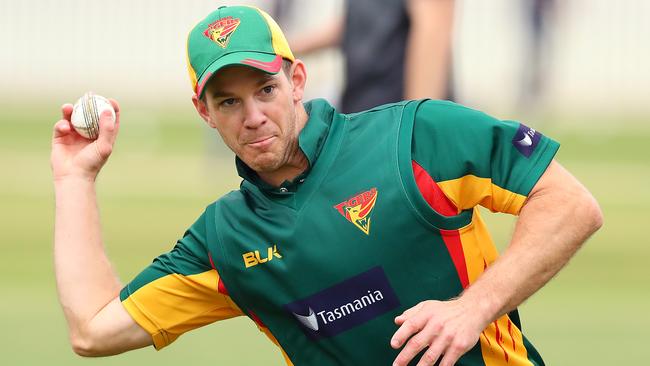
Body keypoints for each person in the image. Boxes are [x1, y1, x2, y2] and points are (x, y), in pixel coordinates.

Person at [51, 5, 602, 366]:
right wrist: (75, 178)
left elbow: (570, 204)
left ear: (296, 79)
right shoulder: (225, 238)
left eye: (265, 89)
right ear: (204, 113)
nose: (253, 116)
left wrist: (472, 308)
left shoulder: (416, 135)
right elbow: (94, 329)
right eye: (228, 102)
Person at [291, 0, 455, 113]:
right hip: (364, 112)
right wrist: (279, 45)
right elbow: (359, 24)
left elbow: (433, 32)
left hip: (397, 120)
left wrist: (416, 128)